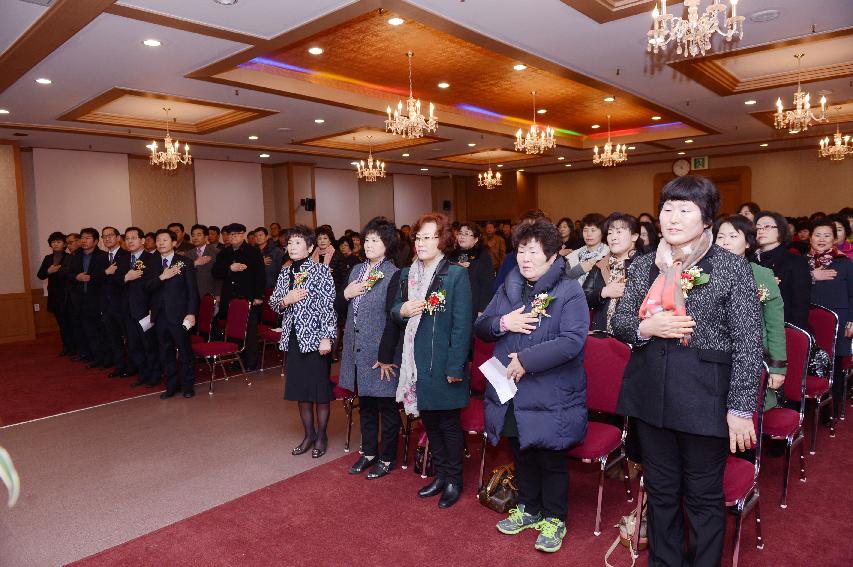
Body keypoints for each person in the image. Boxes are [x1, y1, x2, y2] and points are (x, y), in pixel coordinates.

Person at [612, 176, 763, 566]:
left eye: (685, 209)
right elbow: (622, 321)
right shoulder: (646, 264)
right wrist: (648, 327)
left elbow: (748, 342)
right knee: (660, 493)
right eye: (667, 208)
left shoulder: (730, 267)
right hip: (651, 397)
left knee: (702, 496)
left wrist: (741, 409)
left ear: (706, 218)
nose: (673, 218)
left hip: (704, 399)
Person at [475, 218, 588, 553]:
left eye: (534, 251)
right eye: (521, 250)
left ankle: (554, 517)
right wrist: (502, 322)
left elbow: (572, 341)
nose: (525, 258)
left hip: (551, 389)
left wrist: (527, 360)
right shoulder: (510, 285)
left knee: (550, 456)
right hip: (511, 390)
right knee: (521, 449)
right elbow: (481, 327)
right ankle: (528, 507)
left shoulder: (568, 290)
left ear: (552, 256)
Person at [392, 212, 472, 509]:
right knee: (430, 423)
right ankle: (439, 475)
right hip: (416, 361)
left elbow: (462, 326)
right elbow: (394, 310)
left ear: (443, 240)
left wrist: (455, 366)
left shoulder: (455, 274)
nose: (421, 242)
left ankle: (454, 480)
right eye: (418, 237)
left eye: (429, 237)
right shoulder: (407, 273)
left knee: (448, 423)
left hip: (443, 363)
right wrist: (402, 310)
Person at [337, 218, 402, 479]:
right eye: (366, 240)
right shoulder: (355, 271)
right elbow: (340, 309)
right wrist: (346, 294)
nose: (369, 245)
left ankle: (387, 457)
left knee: (386, 406)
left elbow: (394, 319)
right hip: (357, 349)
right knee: (365, 404)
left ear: (387, 244)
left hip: (381, 352)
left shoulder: (395, 274)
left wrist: (386, 357)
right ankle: (369, 453)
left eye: (375, 240)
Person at [270, 225, 337, 458]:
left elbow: (328, 307)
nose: (292, 247)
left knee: (319, 391)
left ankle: (322, 436)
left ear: (310, 248)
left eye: (298, 243)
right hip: (294, 338)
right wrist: (285, 300)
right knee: (301, 390)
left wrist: (327, 337)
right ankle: (308, 435)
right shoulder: (285, 273)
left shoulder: (321, 271)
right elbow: (273, 303)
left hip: (318, 339)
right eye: (289, 243)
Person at [714, 215, 787, 413]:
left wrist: (778, 368)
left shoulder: (762, 275)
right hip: (712, 359)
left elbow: (774, 325)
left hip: (751, 357)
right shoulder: (702, 274)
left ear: (747, 242)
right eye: (720, 237)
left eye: (733, 236)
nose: (725, 242)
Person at [145, 229, 199, 399]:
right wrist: (162, 277)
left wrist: (191, 313)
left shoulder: (185, 262)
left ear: (174, 243)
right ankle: (171, 386)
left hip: (180, 315)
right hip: (160, 316)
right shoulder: (151, 263)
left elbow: (192, 292)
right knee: (165, 352)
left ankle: (187, 385)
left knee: (184, 351)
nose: (161, 243)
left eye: (165, 240)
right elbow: (146, 288)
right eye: (158, 240)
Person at [807, 219, 853, 414]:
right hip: (809, 319)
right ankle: (811, 406)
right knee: (811, 361)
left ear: (834, 239)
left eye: (827, 235)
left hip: (839, 319)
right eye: (817, 234)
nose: (822, 239)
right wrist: (811, 275)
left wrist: (851, 320)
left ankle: (832, 409)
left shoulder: (844, 263)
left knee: (834, 363)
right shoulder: (802, 262)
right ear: (810, 238)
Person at [212, 223, 266, 371]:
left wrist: (259, 296)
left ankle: (251, 362)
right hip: (230, 297)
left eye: (236, 234)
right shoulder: (224, 253)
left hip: (249, 296)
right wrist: (230, 268)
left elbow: (260, 275)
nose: (233, 237)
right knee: (234, 331)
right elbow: (216, 272)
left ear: (243, 234)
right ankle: (237, 360)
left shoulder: (253, 252)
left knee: (250, 331)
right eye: (230, 234)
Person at [583, 213, 643, 333]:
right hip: (602, 335)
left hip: (634, 337)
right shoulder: (600, 265)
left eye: (619, 232)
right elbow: (581, 298)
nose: (613, 237)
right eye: (610, 233)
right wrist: (603, 292)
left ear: (634, 236)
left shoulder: (644, 265)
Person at [116, 227, 160, 388]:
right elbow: (115, 281)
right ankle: (143, 374)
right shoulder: (122, 259)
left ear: (142, 240)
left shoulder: (153, 259)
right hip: (127, 309)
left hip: (145, 310)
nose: (130, 241)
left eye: (133, 238)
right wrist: (126, 277)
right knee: (134, 345)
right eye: (127, 238)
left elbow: (157, 286)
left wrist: (153, 309)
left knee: (149, 344)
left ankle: (155, 375)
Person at [755, 211, 811, 329]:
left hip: (782, 327)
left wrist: (795, 335)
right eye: (758, 227)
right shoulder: (750, 260)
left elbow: (800, 306)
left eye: (767, 226)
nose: (761, 230)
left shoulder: (795, 262)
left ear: (780, 230)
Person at [68, 228, 110, 368]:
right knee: (88, 330)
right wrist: (76, 276)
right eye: (82, 238)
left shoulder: (104, 256)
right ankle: (95, 357)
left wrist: (92, 278)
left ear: (96, 241)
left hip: (98, 299)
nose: (84, 240)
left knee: (102, 330)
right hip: (81, 300)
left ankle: (106, 358)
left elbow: (106, 278)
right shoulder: (75, 256)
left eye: (88, 238)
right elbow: (67, 274)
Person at [37, 231, 74, 356]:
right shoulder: (48, 258)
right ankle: (66, 347)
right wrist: (49, 270)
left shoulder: (70, 257)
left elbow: (67, 274)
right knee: (61, 323)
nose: (56, 244)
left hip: (67, 295)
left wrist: (55, 272)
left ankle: (74, 347)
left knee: (70, 323)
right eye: (53, 242)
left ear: (64, 244)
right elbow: (40, 275)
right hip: (54, 295)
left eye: (58, 242)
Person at [100, 226, 130, 377]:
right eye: (104, 236)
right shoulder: (101, 257)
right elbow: (96, 280)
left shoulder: (127, 255)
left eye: (110, 235)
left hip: (123, 304)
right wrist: (106, 273)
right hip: (106, 305)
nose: (107, 238)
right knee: (113, 338)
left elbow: (125, 280)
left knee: (129, 338)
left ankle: (132, 367)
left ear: (118, 237)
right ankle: (120, 366)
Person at [448, 222, 495, 319]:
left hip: (474, 303)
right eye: (460, 233)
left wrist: (483, 309)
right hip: (454, 304)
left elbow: (487, 283)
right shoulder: (452, 255)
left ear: (476, 239)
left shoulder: (483, 255)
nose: (462, 236)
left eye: (466, 234)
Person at [565, 213, 608, 285]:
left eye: (593, 230)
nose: (588, 234)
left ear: (602, 233)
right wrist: (578, 270)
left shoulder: (609, 254)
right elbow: (562, 282)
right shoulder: (573, 256)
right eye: (585, 230)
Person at [189, 224, 220, 299]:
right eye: (193, 235)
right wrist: (195, 263)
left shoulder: (216, 252)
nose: (195, 238)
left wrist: (218, 293)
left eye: (198, 235)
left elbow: (219, 276)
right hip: (192, 294)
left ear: (206, 237)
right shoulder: (188, 254)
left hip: (210, 293)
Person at [255, 226, 284, 291]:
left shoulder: (276, 251)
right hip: (256, 287)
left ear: (267, 237)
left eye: (260, 235)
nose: (258, 237)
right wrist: (260, 262)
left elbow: (281, 270)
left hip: (272, 287)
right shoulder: (252, 251)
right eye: (256, 236)